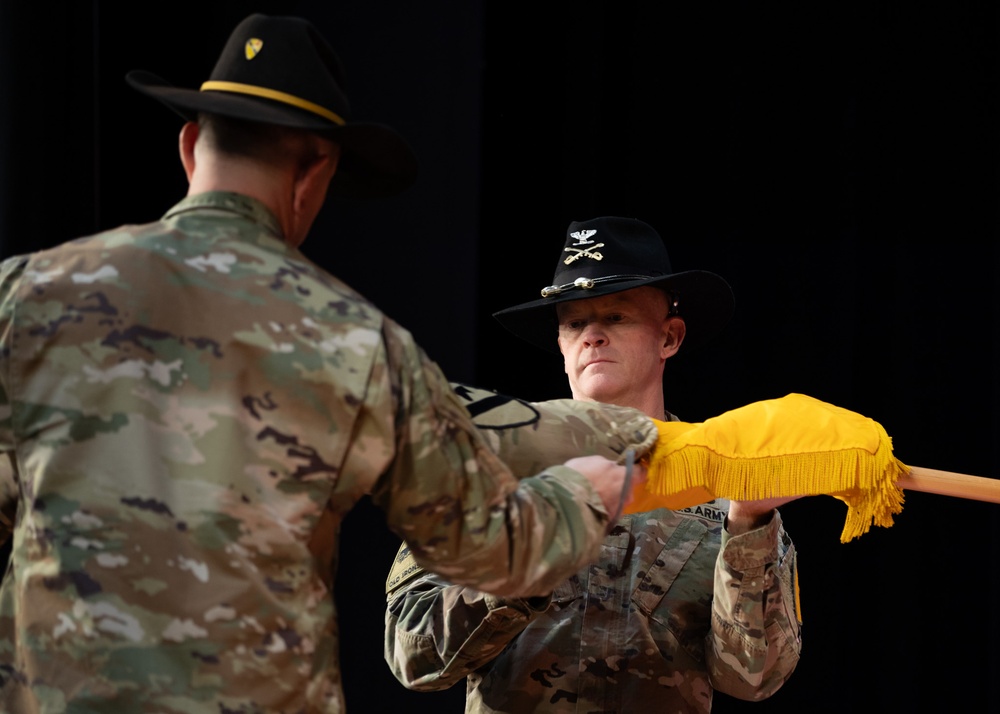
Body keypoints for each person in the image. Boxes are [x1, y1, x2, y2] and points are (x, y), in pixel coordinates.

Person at [0, 17, 648, 713]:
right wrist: (584, 492)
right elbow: (487, 548)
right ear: (315, 172)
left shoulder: (26, 295)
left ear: (190, 147)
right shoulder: (358, 342)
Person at [384, 216, 803, 712]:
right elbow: (414, 657)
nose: (592, 336)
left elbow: (755, 679)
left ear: (669, 337)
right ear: (561, 345)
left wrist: (750, 525)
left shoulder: (724, 482)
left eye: (616, 317)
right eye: (575, 323)